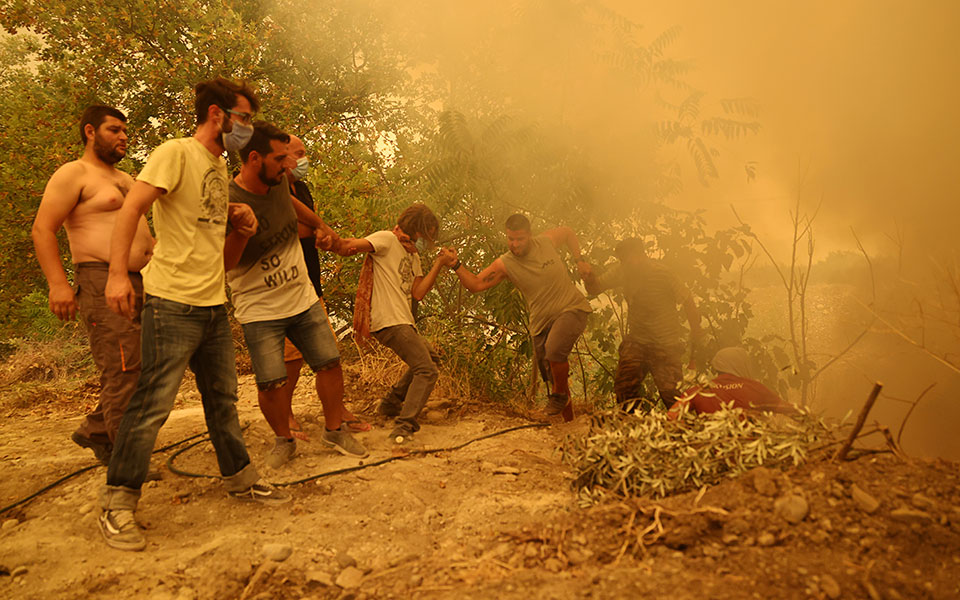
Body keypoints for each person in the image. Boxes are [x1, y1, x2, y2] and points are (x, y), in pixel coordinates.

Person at [99, 78, 288, 552]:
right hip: (171, 303)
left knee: (223, 400)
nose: (247, 129)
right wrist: (118, 275)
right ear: (219, 116)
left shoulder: (216, 171)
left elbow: (221, 259)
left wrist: (242, 227)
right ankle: (117, 501)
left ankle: (241, 478)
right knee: (152, 405)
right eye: (243, 118)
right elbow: (131, 209)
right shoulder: (177, 152)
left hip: (211, 306)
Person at [225, 121, 367, 466]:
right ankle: (282, 440)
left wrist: (322, 228)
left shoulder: (277, 186)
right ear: (255, 158)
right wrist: (243, 232)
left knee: (330, 363)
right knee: (270, 383)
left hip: (302, 298)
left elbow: (294, 205)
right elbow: (224, 264)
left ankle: (334, 430)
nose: (288, 166)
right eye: (280, 159)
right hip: (259, 308)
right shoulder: (228, 200)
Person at [31, 105, 155, 465]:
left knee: (145, 366)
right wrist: (59, 284)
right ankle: (127, 463)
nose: (123, 137)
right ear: (90, 132)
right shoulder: (74, 173)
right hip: (101, 280)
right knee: (123, 368)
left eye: (125, 132)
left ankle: (98, 429)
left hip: (141, 281)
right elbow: (42, 229)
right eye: (114, 130)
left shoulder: (126, 178)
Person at [449, 213, 593, 420]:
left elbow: (569, 232)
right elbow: (476, 284)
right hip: (541, 323)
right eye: (510, 239)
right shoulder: (504, 264)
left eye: (520, 239)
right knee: (554, 374)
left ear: (530, 236)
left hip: (572, 308)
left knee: (554, 352)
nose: (515, 244)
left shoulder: (546, 242)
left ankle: (559, 397)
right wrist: (455, 265)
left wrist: (580, 260)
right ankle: (568, 423)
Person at [277, 135, 370, 439]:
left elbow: (309, 228)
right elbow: (288, 225)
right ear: (282, 156)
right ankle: (285, 412)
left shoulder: (301, 188)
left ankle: (336, 409)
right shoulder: (272, 186)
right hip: (284, 284)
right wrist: (320, 230)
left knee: (327, 352)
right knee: (291, 358)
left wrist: (323, 235)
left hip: (310, 281)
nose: (304, 159)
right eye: (299, 153)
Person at [336, 204, 454, 443]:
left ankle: (391, 403)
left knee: (431, 359)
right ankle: (404, 425)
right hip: (389, 320)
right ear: (417, 230)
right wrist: (330, 239)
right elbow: (352, 246)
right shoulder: (387, 239)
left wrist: (439, 264)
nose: (427, 241)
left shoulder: (413, 254)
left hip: (404, 321)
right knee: (426, 370)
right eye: (426, 235)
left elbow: (418, 292)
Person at [584, 237, 703, 412]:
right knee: (624, 388)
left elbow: (688, 301)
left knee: (671, 393)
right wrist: (589, 276)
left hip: (666, 343)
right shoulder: (623, 271)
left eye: (626, 258)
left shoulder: (663, 274)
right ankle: (631, 426)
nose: (624, 263)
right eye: (621, 259)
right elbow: (595, 288)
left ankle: (687, 428)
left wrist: (696, 333)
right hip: (637, 341)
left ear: (640, 254)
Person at [671, 347, 796, 415]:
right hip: (749, 455)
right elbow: (791, 410)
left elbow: (671, 416)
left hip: (711, 454)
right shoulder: (754, 387)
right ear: (743, 365)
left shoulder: (698, 390)